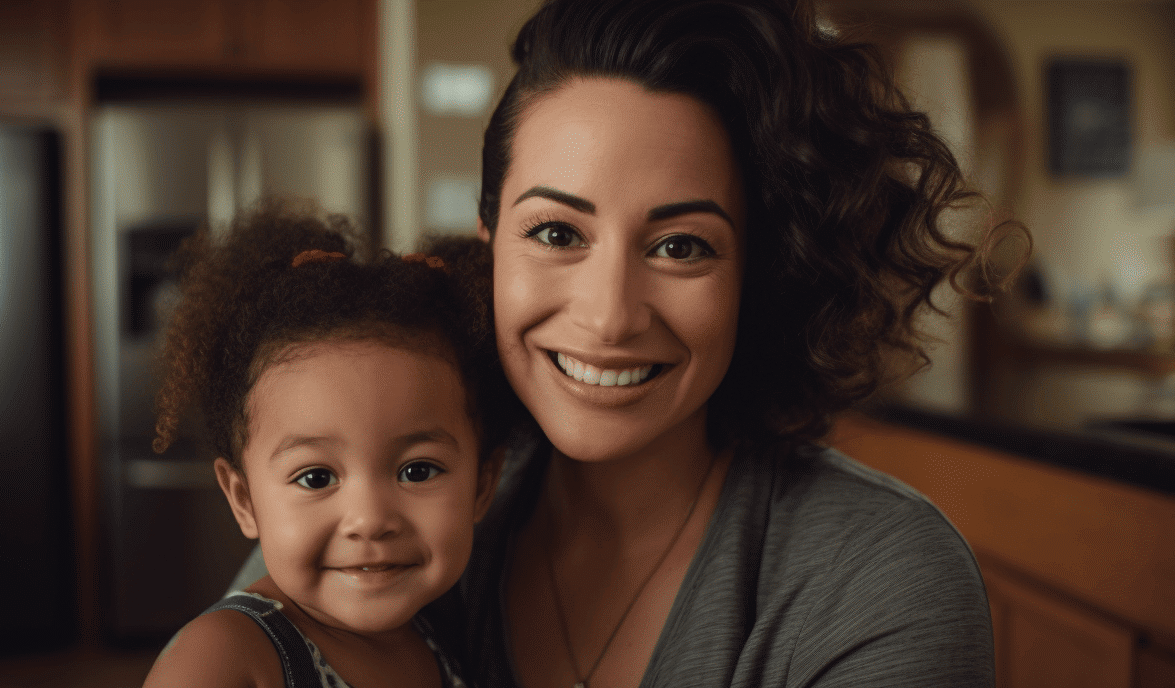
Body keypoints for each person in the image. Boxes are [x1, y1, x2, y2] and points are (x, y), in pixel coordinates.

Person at [430, 0, 1023, 686]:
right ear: (490, 244)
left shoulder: (881, 579)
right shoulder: (397, 513)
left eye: (681, 247)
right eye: (557, 233)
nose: (610, 317)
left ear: (758, 271)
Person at [141, 202, 512, 688]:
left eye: (417, 471)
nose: (371, 520)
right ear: (244, 498)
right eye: (316, 477)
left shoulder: (441, 638)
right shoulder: (224, 657)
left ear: (483, 485)